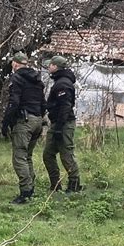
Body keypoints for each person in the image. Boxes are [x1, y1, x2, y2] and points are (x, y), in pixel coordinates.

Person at [1, 52, 46, 204]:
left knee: (19, 157)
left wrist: (6, 122)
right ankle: (31, 187)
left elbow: (14, 102)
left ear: (15, 64)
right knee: (28, 156)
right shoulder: (37, 79)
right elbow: (43, 102)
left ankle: (25, 193)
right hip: (37, 120)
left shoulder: (17, 78)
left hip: (24, 121)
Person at [43, 55, 82, 193]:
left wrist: (59, 128)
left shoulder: (63, 84)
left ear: (55, 67)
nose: (48, 67)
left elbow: (65, 107)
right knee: (48, 154)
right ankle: (55, 184)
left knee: (66, 154)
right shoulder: (60, 81)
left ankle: (75, 184)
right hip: (57, 123)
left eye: (50, 65)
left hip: (64, 123)